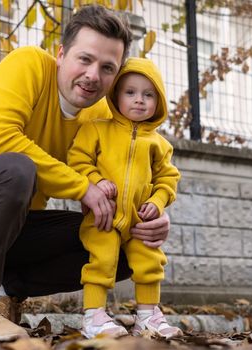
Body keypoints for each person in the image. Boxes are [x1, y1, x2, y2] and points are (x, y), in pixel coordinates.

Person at [0, 5, 172, 341]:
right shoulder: (29, 64)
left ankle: (4, 298)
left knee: (120, 241)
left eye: (107, 67)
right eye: (85, 59)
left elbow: (110, 193)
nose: (94, 75)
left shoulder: (97, 117)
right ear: (61, 54)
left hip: (15, 230)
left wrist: (148, 219)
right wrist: (83, 187)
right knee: (16, 165)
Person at [68, 57, 182, 339]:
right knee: (101, 261)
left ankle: (147, 316)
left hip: (140, 219)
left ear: (159, 100)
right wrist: (96, 181)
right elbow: (77, 161)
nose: (139, 100)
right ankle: (93, 316)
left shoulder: (160, 144)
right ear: (116, 95)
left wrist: (156, 203)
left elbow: (168, 180)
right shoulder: (96, 128)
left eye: (148, 94)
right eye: (130, 92)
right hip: (103, 214)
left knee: (150, 262)